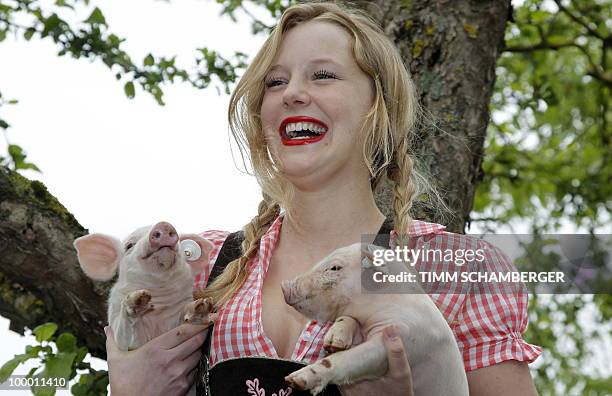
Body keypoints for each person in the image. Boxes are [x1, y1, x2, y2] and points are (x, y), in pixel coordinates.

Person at [104, 2, 542, 395]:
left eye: (323, 75)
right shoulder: (200, 264)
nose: (292, 92)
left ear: (378, 107)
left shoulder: (454, 268)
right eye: (275, 82)